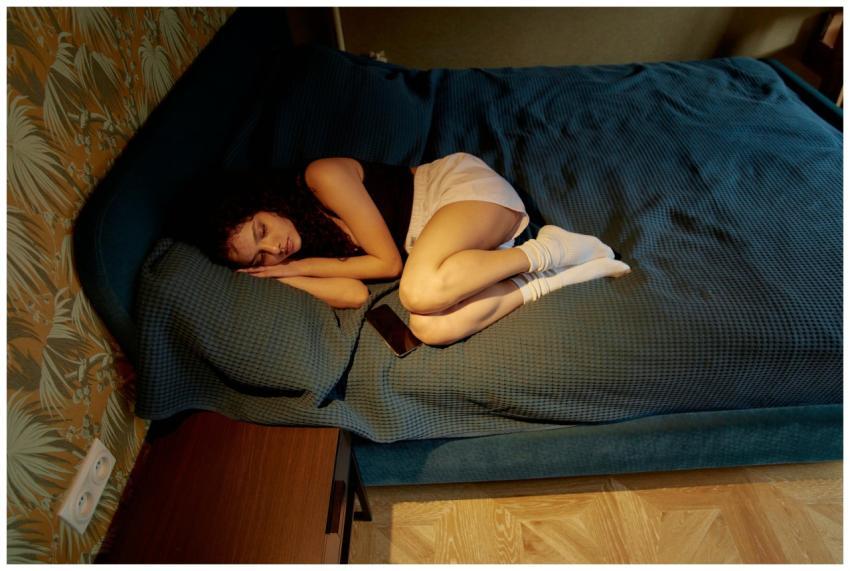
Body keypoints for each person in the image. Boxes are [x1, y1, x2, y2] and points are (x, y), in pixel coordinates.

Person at [178, 152, 630, 346]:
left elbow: (387, 264)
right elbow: (354, 295)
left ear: (266, 203)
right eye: (260, 258)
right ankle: (555, 277)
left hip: (456, 194)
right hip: (445, 250)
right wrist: (285, 275)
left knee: (415, 293)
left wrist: (304, 265)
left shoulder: (322, 177)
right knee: (429, 328)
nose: (275, 247)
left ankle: (549, 250)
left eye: (262, 230)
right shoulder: (292, 252)